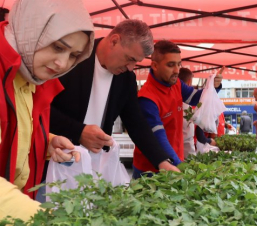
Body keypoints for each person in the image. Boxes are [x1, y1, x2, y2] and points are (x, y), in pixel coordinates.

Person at [49, 20, 179, 178]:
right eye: (129, 59)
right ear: (114, 41)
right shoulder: (73, 59)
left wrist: (162, 161)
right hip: (53, 162)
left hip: (95, 167)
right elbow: (41, 109)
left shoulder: (126, 78)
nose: (131, 67)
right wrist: (79, 131)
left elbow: (136, 123)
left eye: (136, 62)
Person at [0, 0, 95, 200]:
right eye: (58, 47)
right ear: (31, 29)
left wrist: (46, 141)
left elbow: (17, 130)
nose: (62, 64)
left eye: (74, 55)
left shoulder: (32, 77)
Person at [133, 40, 223, 178]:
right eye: (170, 65)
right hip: (151, 171)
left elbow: (196, 98)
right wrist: (181, 167)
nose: (177, 70)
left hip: (175, 162)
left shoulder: (175, 83)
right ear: (155, 65)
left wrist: (212, 86)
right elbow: (159, 139)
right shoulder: (146, 99)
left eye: (179, 64)